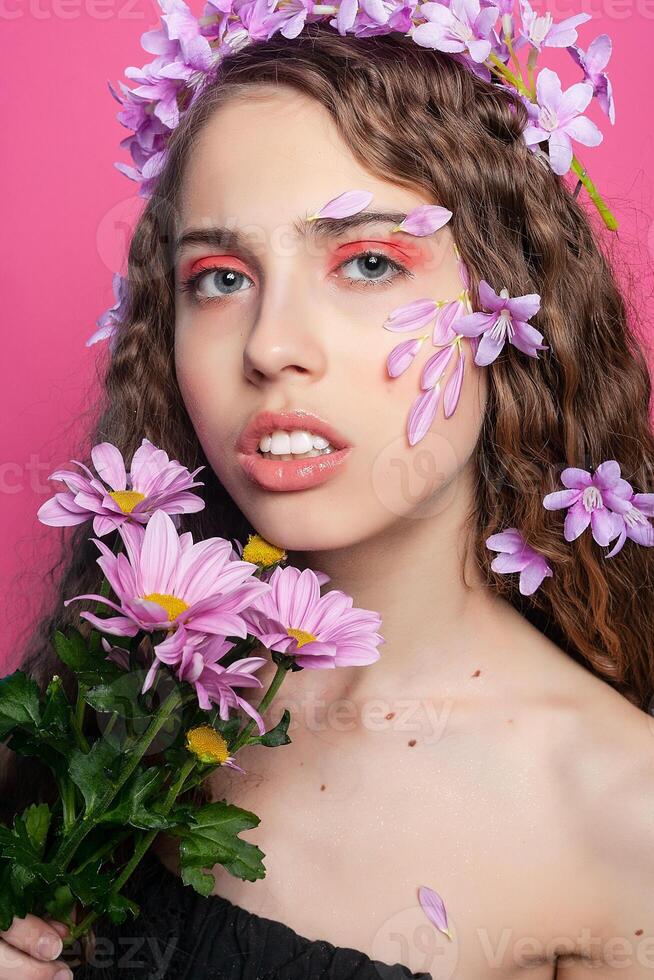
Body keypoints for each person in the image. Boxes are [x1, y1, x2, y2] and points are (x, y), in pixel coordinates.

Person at [2, 21, 654, 980]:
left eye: (370, 262)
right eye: (220, 279)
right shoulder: (122, 693)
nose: (269, 345)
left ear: (509, 304)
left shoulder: (622, 814)